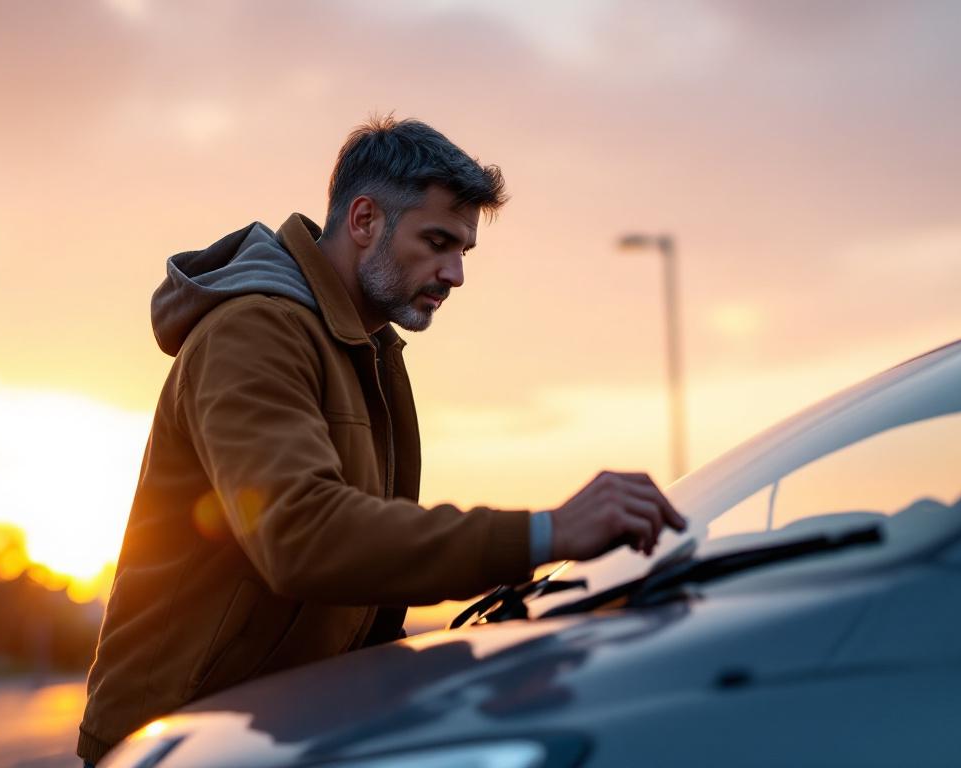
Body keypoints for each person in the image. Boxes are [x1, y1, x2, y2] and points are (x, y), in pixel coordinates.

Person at [76, 116, 685, 765]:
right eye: (437, 242)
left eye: (464, 252)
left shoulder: (368, 351)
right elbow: (302, 534)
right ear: (365, 221)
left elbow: (364, 598)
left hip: (277, 733)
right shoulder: (253, 333)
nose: (455, 274)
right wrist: (546, 531)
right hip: (177, 742)